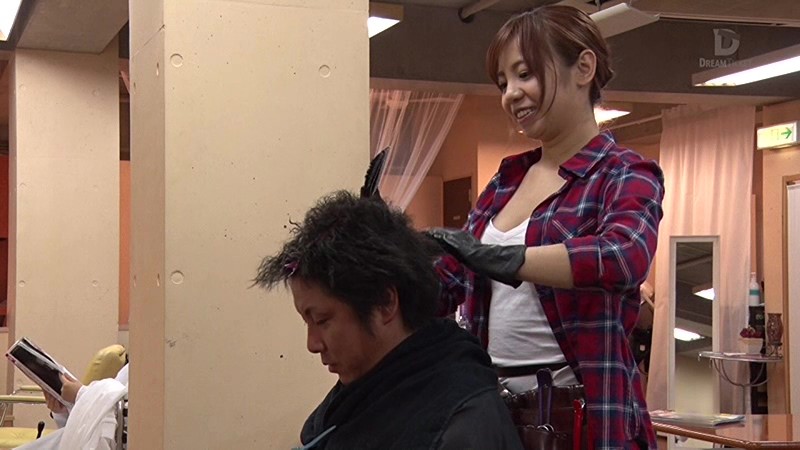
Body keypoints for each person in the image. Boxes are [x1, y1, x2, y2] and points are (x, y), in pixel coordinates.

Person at [427, 5, 663, 449]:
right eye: (503, 83)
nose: (511, 94)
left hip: (582, 419)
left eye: (525, 74)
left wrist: (508, 259)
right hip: (493, 413)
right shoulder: (506, 181)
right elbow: (448, 282)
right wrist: (391, 252)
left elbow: (622, 256)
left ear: (584, 68)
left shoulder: (624, 172)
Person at [254, 191, 523, 450]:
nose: (312, 344)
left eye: (322, 320)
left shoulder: (460, 420)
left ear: (385, 303)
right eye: (307, 322)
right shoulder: (363, 390)